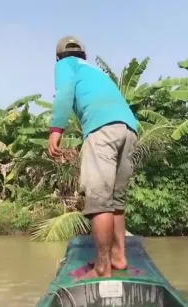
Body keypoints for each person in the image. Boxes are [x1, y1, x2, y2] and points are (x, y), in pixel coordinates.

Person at [47, 36, 138, 280]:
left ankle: (101, 268)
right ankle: (119, 257)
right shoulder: (95, 72)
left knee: (99, 201)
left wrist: (56, 129)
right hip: (128, 129)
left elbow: (64, 93)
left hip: (102, 130)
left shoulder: (65, 65)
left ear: (59, 56)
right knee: (116, 201)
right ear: (83, 54)